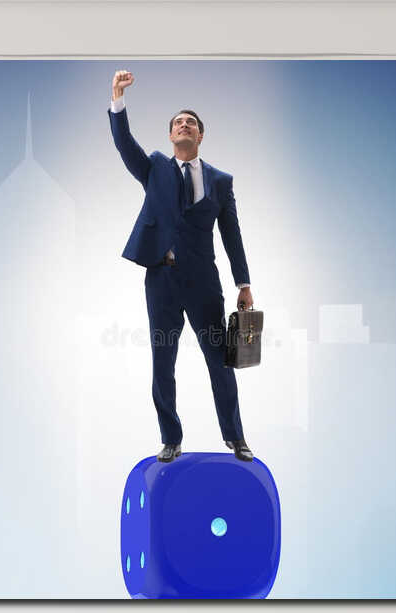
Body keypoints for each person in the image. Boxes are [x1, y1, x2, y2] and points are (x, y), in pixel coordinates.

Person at [108, 68, 255, 463]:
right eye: (177, 123)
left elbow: (232, 233)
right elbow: (124, 144)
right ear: (171, 135)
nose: (183, 125)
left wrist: (243, 283)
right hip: (162, 280)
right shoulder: (155, 168)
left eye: (190, 122)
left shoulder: (220, 181)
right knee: (163, 362)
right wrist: (118, 99)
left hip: (204, 283)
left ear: (200, 135)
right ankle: (171, 438)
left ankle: (236, 437)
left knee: (220, 361)